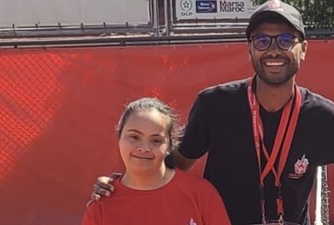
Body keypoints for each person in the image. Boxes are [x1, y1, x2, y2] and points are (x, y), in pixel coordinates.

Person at [89, 1, 334, 225]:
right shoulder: (215, 104)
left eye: (285, 40)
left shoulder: (323, 117)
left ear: (304, 49)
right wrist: (124, 183)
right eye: (261, 41)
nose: (273, 50)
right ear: (250, 49)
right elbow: (176, 164)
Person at [82, 97, 231, 225]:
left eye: (156, 140)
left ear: (169, 146)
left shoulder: (200, 193)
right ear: (119, 136)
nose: (144, 148)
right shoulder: (102, 203)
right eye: (134, 137)